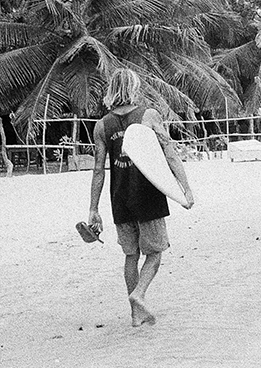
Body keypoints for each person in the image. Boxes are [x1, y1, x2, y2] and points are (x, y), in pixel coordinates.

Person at [88, 68, 196, 327]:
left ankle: (136, 314)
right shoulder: (148, 116)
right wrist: (185, 188)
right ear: (134, 88)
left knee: (130, 256)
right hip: (147, 195)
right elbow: (169, 153)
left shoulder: (102, 126)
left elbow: (98, 170)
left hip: (120, 198)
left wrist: (93, 208)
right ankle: (139, 294)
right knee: (155, 253)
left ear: (112, 91)